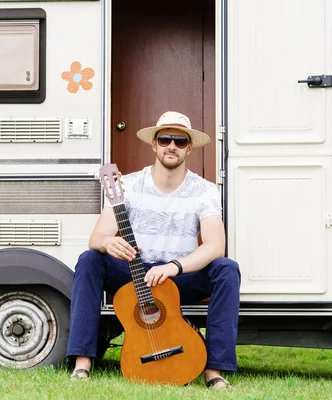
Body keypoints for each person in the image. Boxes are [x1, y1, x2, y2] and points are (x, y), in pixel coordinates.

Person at [66, 111, 241, 390]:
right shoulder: (129, 185)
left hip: (177, 276)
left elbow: (215, 246)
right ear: (154, 144)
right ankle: (82, 364)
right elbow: (97, 237)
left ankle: (214, 370)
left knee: (227, 269)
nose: (172, 146)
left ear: (189, 147)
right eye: (165, 139)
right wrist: (108, 242)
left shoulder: (204, 191)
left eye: (180, 141)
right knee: (90, 260)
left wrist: (174, 266)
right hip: (136, 273)